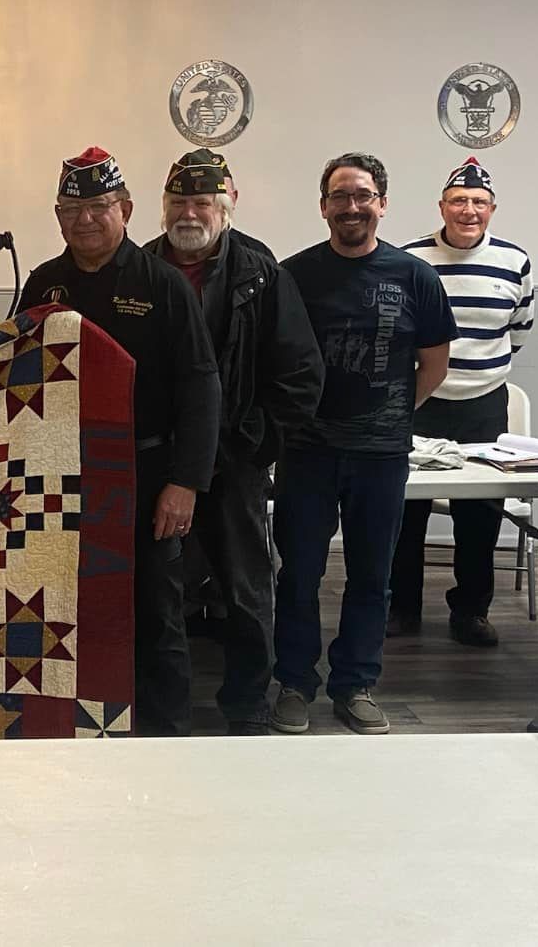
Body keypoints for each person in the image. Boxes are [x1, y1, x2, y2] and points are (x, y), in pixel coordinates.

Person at [19, 147, 220, 735]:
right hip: (57, 474)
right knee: (64, 607)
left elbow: (201, 388)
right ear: (57, 217)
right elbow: (10, 367)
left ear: (126, 209)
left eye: (99, 207)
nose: (85, 220)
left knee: (156, 611)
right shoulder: (44, 282)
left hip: (146, 472)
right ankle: (69, 726)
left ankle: (166, 737)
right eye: (72, 209)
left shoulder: (163, 284)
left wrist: (185, 484)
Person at [270, 152, 457, 736]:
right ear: (323, 206)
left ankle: (356, 684)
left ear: (381, 203)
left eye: (363, 195)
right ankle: (295, 682)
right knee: (298, 573)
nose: (351, 206)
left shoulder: (415, 277)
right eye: (339, 196)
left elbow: (433, 364)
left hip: (381, 455)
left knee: (371, 575)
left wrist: (390, 414)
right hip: (306, 451)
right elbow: (274, 361)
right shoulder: (293, 275)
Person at [143, 150, 322, 734]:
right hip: (156, 462)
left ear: (227, 206)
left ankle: (247, 706)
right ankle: (156, 708)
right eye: (178, 202)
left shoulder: (261, 273)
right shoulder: (142, 269)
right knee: (155, 589)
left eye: (201, 202)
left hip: (235, 462)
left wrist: (257, 445)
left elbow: (300, 374)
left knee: (246, 592)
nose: (188, 213)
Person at [390, 157, 536, 647]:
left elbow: (517, 333)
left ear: (492, 209)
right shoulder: (410, 258)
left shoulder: (515, 262)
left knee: (481, 516)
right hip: (420, 401)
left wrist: (479, 371)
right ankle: (402, 607)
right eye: (458, 201)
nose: (468, 210)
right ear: (442, 207)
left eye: (478, 202)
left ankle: (471, 610)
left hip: (483, 406)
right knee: (404, 513)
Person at [175, 149, 274, 261]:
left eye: (223, 195)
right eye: (179, 202)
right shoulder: (152, 258)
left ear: (234, 198)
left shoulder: (259, 257)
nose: (189, 213)